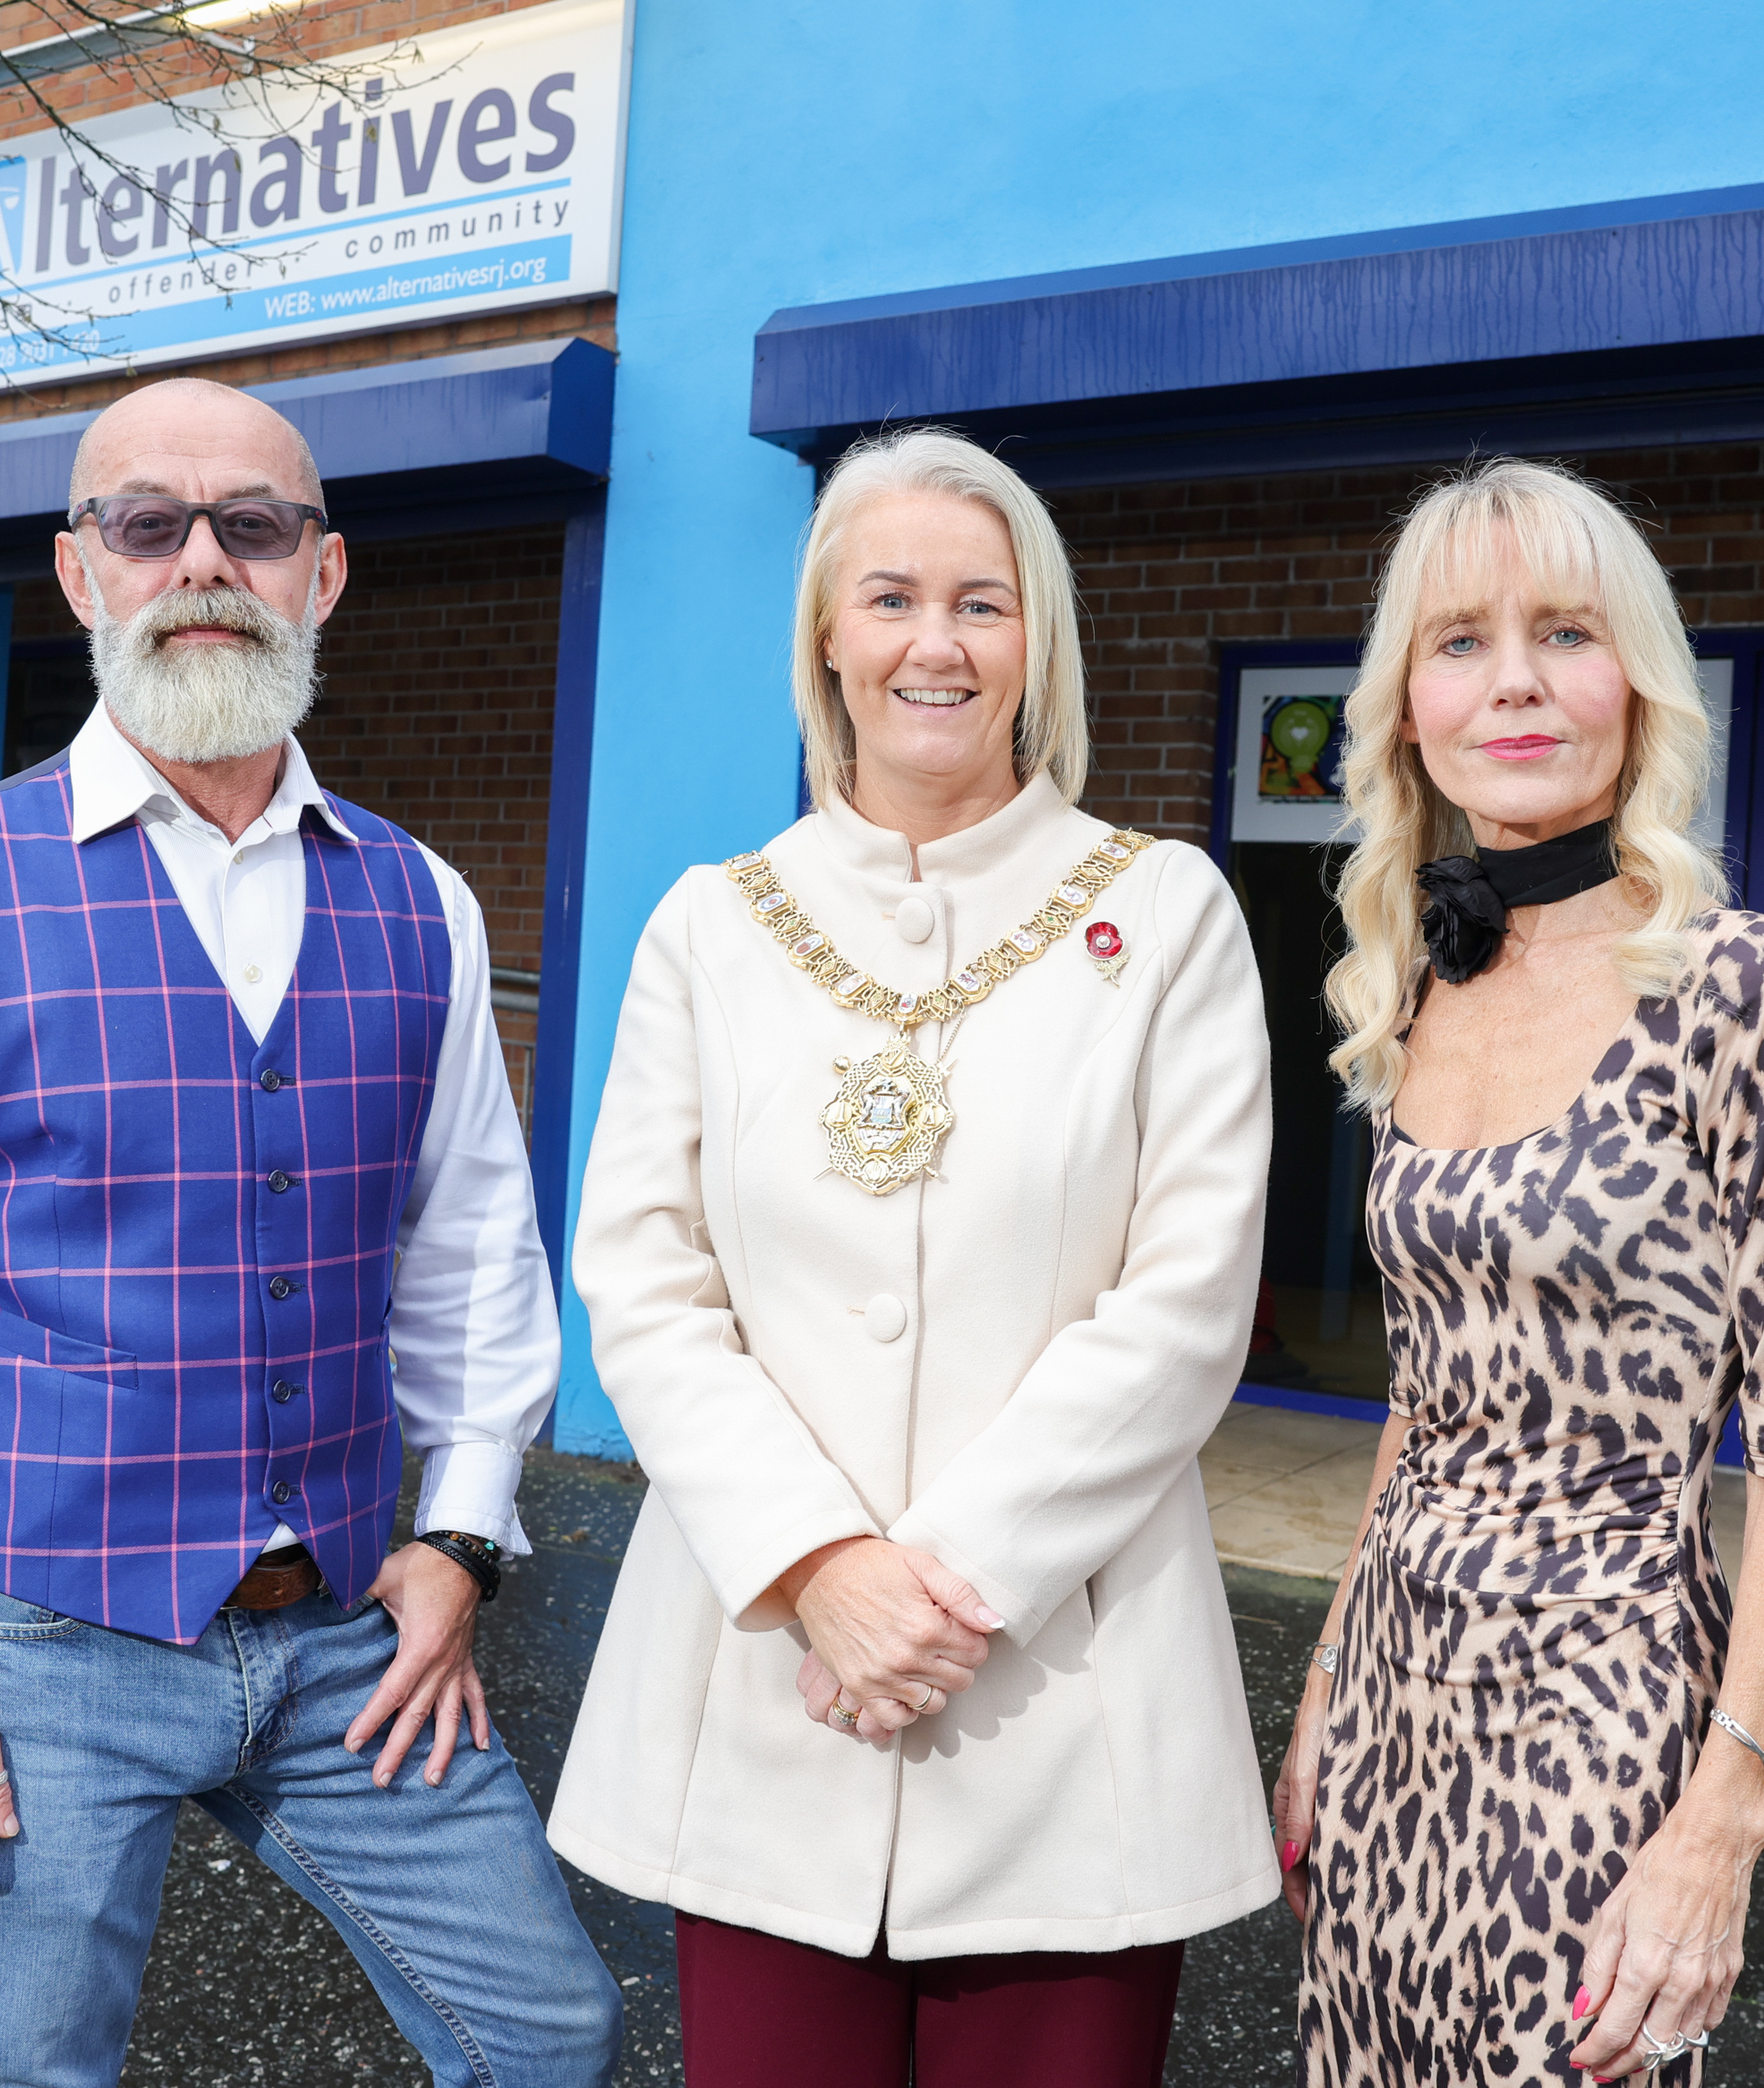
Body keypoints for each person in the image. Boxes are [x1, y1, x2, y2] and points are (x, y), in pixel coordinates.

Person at [0, 377, 620, 2086]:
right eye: (148, 523)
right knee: (26, 2069)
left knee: (548, 2027)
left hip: (347, 1626)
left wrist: (464, 1536)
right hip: (42, 1634)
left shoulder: (417, 896)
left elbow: (470, 1253)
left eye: (255, 525)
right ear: (82, 573)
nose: (202, 562)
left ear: (323, 573)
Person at [550, 428, 1278, 2086]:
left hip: (1064, 1692)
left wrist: (940, 1585)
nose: (934, 643)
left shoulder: (1166, 913)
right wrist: (822, 1567)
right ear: (827, 635)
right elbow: (645, 1281)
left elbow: (1186, 1299)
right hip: (771, 1681)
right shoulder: (712, 924)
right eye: (889, 598)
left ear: (1038, 642)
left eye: (981, 603)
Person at [1271, 457, 1764, 2085]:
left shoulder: (1743, 985)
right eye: (1460, 640)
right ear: (1408, 708)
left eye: (1566, 632)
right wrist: (1324, 1682)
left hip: (1603, 1702)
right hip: (1394, 1684)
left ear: (1638, 684)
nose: (1515, 680)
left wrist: (1726, 1813)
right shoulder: (1416, 981)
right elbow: (1424, 1396)